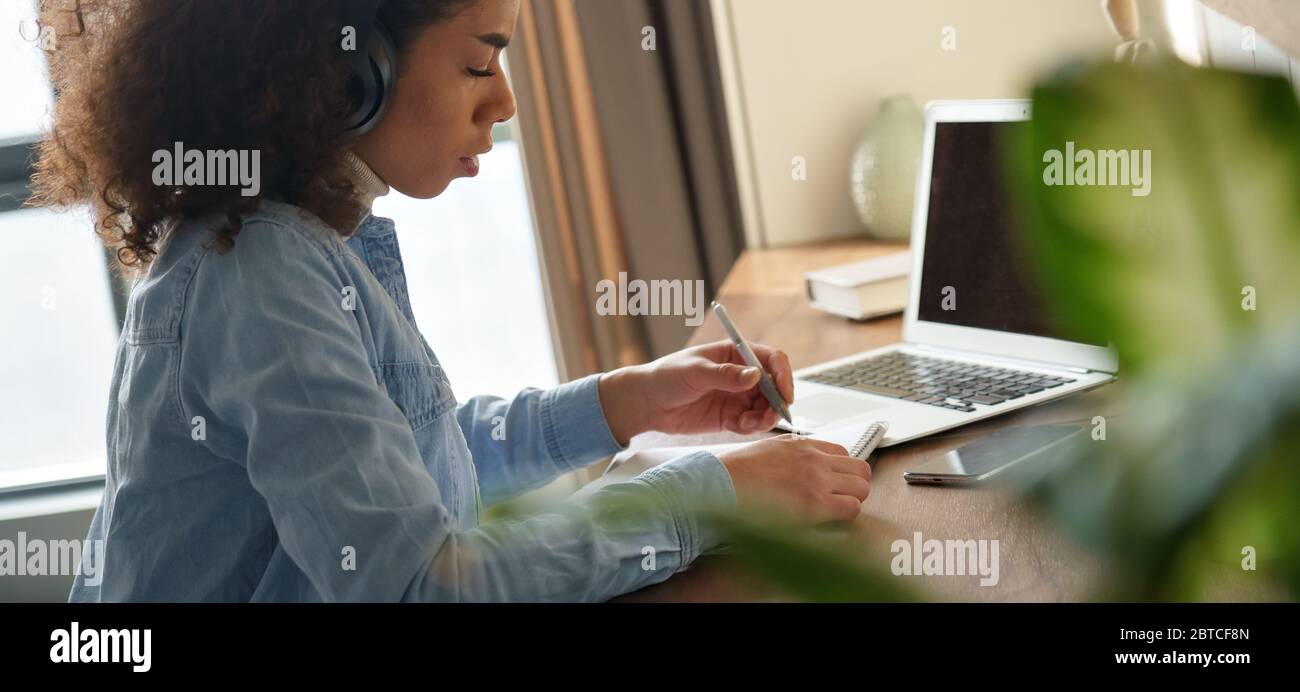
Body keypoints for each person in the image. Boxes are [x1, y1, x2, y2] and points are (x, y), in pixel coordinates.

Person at [34, 0, 870, 602]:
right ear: (348, 68)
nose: (504, 102)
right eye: (479, 61)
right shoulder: (261, 272)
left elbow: (409, 471)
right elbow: (415, 582)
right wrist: (711, 496)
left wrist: (630, 402)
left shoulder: (300, 237)